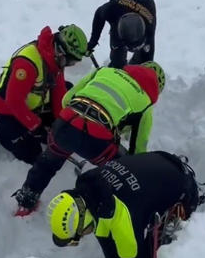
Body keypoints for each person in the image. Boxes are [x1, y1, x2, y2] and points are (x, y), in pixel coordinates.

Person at [12, 61, 167, 215]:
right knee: (120, 171)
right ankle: (96, 208)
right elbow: (137, 152)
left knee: (47, 163)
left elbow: (66, 99)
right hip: (96, 140)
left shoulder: (105, 71)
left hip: (65, 124)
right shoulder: (145, 103)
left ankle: (26, 202)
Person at [45, 151, 205, 258]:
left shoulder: (122, 217)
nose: (83, 236)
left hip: (182, 184)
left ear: (82, 219)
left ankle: (172, 227)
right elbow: (107, 243)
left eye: (80, 234)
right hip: (160, 160)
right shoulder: (92, 189)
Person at [0, 25, 88, 164]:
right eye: (70, 61)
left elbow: (59, 92)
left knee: (68, 93)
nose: (70, 65)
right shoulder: (27, 64)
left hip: (32, 104)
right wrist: (36, 126)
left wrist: (60, 123)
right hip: (7, 110)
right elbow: (14, 101)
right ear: (60, 52)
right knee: (33, 154)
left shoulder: (54, 60)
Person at [87, 0, 157, 68]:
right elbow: (99, 14)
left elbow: (148, 61)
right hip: (120, 10)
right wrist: (93, 41)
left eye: (134, 48)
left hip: (147, 3)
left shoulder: (149, 28)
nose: (130, 50)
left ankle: (134, 62)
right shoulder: (111, 11)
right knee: (117, 59)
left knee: (142, 63)